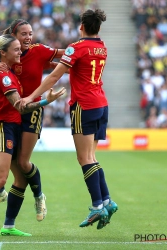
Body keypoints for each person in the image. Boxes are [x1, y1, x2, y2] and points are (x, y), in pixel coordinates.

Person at [18, 9, 118, 230]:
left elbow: (55, 76)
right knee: (91, 157)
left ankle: (97, 206)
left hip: (84, 105)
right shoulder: (101, 47)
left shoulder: (76, 48)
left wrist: (31, 96)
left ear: (81, 26)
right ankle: (107, 201)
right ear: (98, 28)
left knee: (84, 159)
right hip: (101, 104)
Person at [0, 34, 65, 239]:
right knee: (0, 178)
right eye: (16, 49)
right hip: (4, 127)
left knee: (20, 177)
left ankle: (9, 225)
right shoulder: (4, 75)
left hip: (12, 127)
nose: (20, 51)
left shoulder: (5, 69)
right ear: (3, 53)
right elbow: (20, 107)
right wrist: (45, 101)